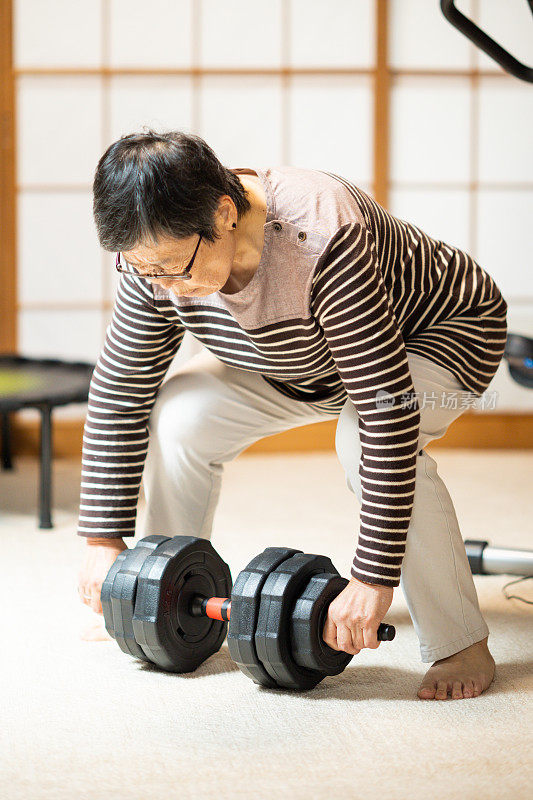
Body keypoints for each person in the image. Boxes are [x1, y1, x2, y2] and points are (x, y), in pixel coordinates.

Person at [78, 130, 507, 700]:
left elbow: (385, 411)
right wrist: (103, 540)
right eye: (145, 270)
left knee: (361, 438)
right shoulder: (155, 260)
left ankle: (459, 641)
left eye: (173, 269)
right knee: (180, 415)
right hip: (300, 362)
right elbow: (122, 384)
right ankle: (154, 592)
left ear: (224, 212)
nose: (166, 288)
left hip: (433, 336)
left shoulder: (324, 236)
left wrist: (372, 576)